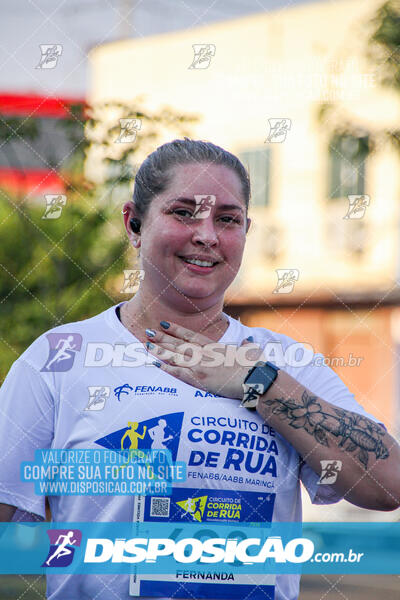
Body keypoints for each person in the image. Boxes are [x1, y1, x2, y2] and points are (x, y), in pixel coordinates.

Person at [0, 138, 399, 600]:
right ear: (134, 223)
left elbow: (387, 486)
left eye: (227, 219)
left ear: (245, 232)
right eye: (184, 212)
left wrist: (260, 384)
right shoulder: (59, 357)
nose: (206, 234)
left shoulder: (287, 362)